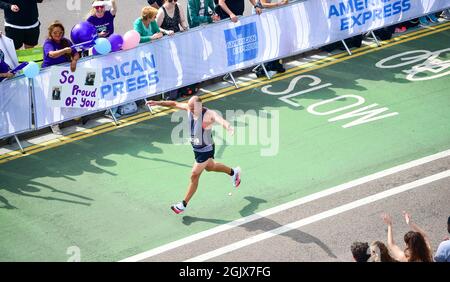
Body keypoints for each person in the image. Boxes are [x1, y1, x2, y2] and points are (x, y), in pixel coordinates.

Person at [146, 96, 241, 214]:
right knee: (211, 167)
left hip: (205, 149)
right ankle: (233, 172)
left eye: (192, 108)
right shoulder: (189, 108)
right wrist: (157, 102)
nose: (189, 110)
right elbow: (174, 104)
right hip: (196, 148)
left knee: (194, 175)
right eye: (189, 107)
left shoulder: (209, 114)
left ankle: (183, 204)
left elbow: (221, 120)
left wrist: (229, 128)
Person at [41, 21, 80, 135]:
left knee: (69, 94)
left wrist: (74, 61)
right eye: (55, 32)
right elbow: (52, 54)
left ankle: (71, 115)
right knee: (56, 99)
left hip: (64, 74)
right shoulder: (48, 43)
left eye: (60, 32)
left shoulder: (66, 41)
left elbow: (76, 53)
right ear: (51, 33)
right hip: (50, 74)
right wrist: (64, 51)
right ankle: (54, 124)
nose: (58, 34)